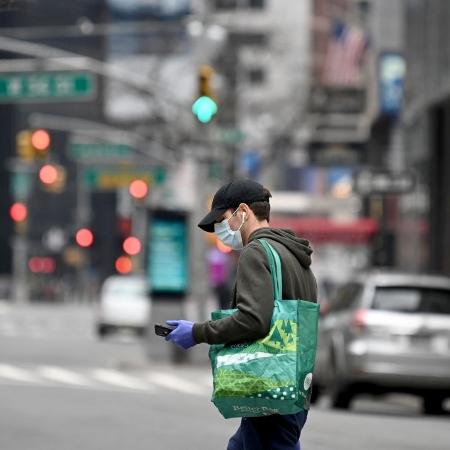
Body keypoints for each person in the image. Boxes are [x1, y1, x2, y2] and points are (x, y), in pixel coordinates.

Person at [166, 179, 317, 450]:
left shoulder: (255, 252)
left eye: (223, 219)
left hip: (269, 384)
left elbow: (253, 320)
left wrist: (197, 332)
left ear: (243, 211)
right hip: (292, 384)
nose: (220, 230)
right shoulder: (294, 254)